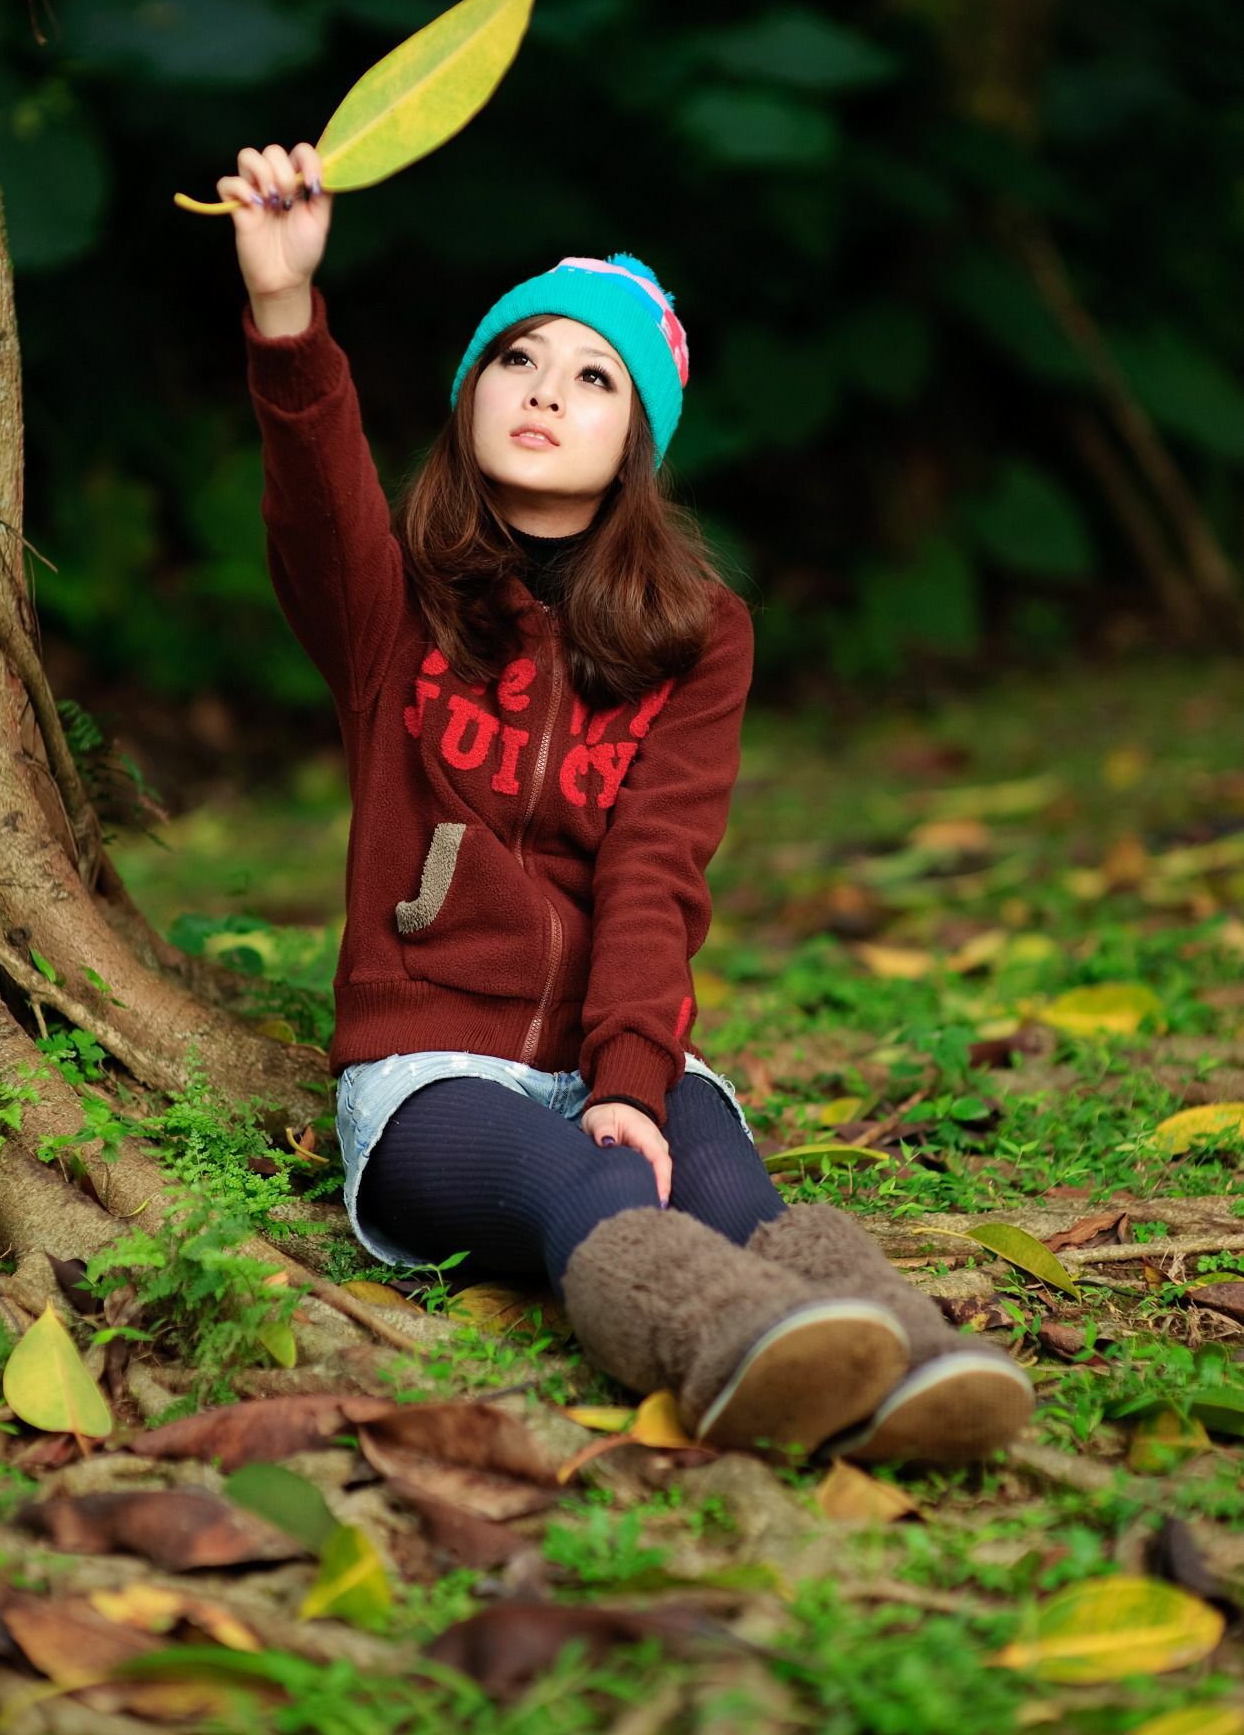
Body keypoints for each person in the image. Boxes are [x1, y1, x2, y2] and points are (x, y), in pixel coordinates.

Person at [219, 140, 1034, 1466]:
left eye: (592, 377)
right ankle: (730, 1356)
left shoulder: (697, 636)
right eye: (516, 360)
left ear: (633, 440)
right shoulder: (392, 608)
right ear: (470, 393)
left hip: (617, 1053)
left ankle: (916, 1371)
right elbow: (315, 491)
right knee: (583, 1183)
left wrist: (633, 1080)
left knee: (723, 1181)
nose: (545, 391)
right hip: (433, 1073)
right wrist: (283, 308)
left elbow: (655, 872)